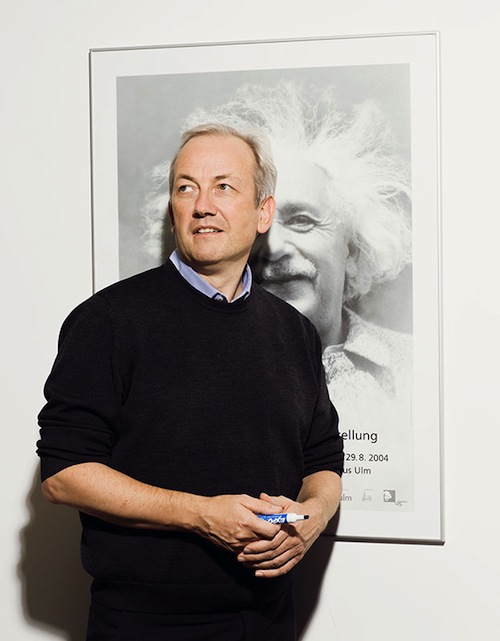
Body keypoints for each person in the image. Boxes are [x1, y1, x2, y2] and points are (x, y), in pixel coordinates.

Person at [37, 123, 344, 641]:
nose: (203, 204)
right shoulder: (108, 320)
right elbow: (64, 473)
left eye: (225, 186)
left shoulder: (293, 330)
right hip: (146, 625)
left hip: (269, 619)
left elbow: (323, 461)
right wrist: (201, 514)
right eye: (186, 187)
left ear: (262, 212)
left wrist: (310, 519)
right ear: (174, 208)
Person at [141, 82, 413, 434]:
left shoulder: (417, 368)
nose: (273, 245)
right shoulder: (165, 365)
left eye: (302, 221)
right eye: (254, 224)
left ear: (354, 253)